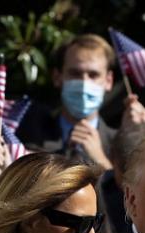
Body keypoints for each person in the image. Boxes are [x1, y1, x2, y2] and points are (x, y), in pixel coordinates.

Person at [17, 34, 117, 170]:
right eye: (75, 73)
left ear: (108, 81)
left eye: (93, 75)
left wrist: (101, 161)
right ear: (57, 77)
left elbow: (130, 190)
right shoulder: (28, 136)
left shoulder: (121, 145)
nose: (84, 83)